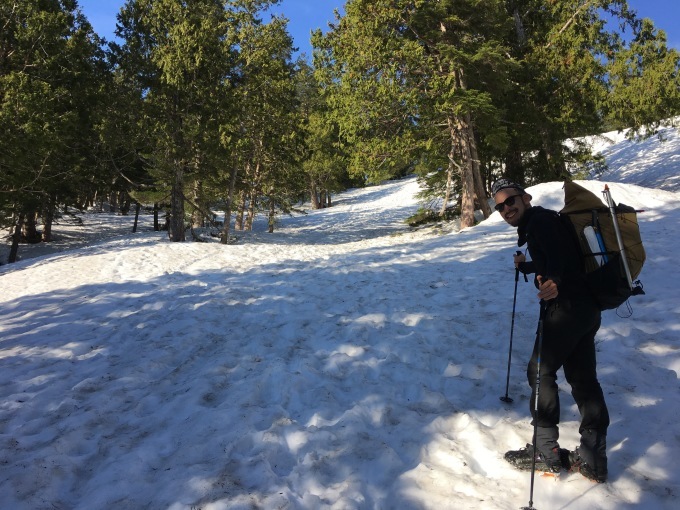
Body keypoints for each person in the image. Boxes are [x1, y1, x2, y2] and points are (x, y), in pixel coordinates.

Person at [491, 178, 609, 483]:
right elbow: (557, 255)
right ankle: (593, 458)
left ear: (526, 197)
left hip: (566, 310)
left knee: (540, 372)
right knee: (583, 379)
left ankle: (545, 451)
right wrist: (529, 267)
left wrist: (554, 279)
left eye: (510, 201)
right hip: (586, 310)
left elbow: (561, 259)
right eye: (499, 206)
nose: (505, 209)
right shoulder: (543, 222)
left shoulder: (541, 223)